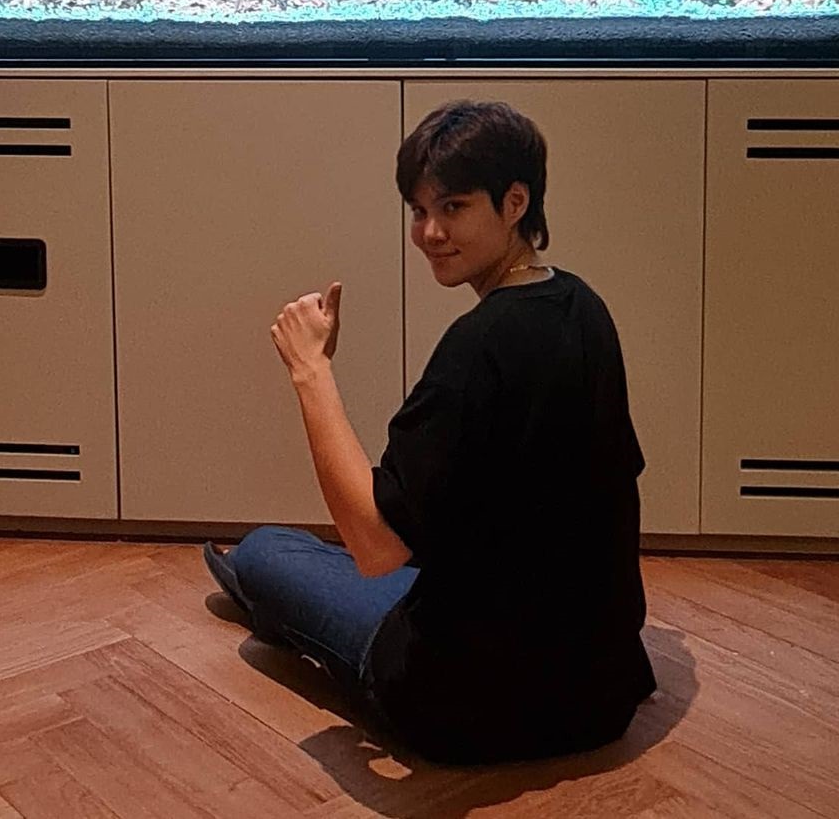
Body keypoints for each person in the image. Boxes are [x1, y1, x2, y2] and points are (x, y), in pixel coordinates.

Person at [203, 99, 656, 765]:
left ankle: (271, 597)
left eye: (454, 207)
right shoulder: (584, 306)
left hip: (469, 706)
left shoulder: (477, 346)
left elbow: (375, 548)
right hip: (603, 694)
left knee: (267, 550)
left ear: (515, 202)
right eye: (419, 211)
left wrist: (310, 370)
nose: (431, 232)